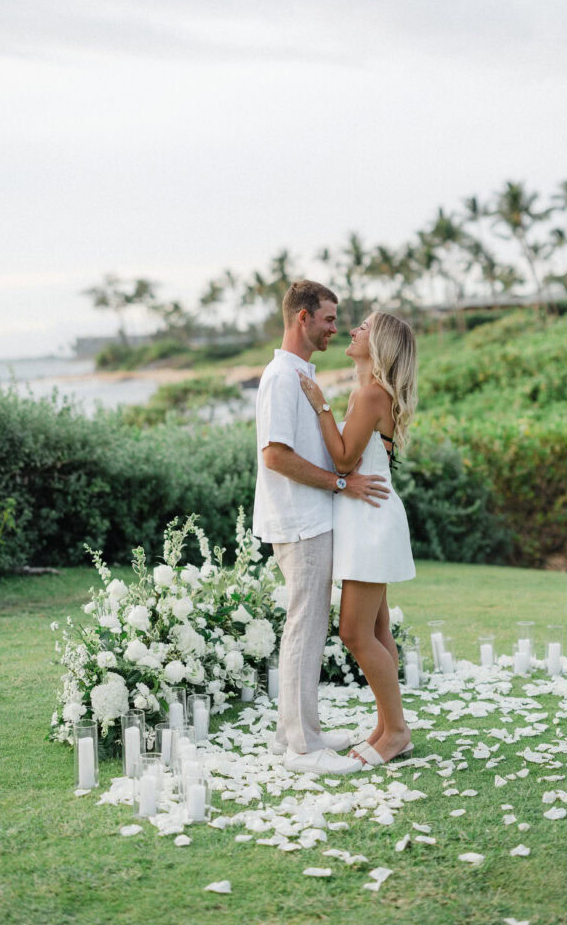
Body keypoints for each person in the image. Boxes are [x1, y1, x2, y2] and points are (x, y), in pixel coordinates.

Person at [253, 280, 391, 775]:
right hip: (299, 520)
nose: (336, 326)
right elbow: (275, 457)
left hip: (311, 517)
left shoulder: (299, 374)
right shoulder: (282, 377)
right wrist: (340, 483)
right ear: (302, 319)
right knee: (305, 628)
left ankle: (296, 730)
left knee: (307, 627)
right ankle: (301, 748)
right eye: (329, 318)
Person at [298, 311, 417, 766]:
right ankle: (388, 727)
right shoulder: (370, 393)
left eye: (362, 328)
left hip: (370, 523)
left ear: (380, 343)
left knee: (353, 631)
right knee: (376, 630)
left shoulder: (370, 394)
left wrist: (321, 406)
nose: (352, 331)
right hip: (367, 520)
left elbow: (345, 461)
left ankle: (397, 732)